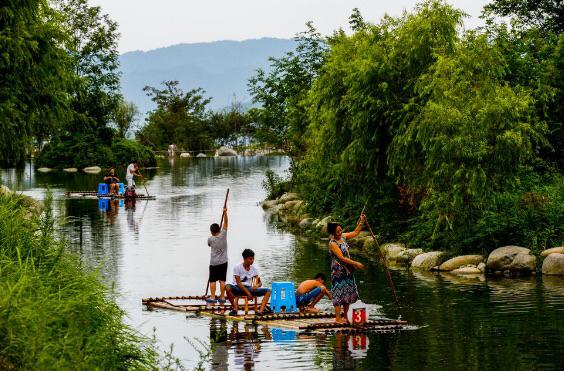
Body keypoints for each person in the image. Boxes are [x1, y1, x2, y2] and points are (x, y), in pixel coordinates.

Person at [327, 215, 366, 324]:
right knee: (338, 293)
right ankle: (338, 318)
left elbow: (355, 233)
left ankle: (346, 317)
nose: (340, 232)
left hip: (347, 270)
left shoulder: (343, 237)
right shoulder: (333, 243)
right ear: (333, 233)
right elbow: (341, 258)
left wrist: (361, 222)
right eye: (338, 231)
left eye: (341, 230)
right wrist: (356, 263)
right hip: (338, 270)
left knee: (347, 292)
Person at [226, 249, 272, 315]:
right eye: (250, 259)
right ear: (244, 259)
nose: (252, 261)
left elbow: (260, 283)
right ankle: (235, 309)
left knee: (268, 291)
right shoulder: (237, 267)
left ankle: (260, 311)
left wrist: (257, 285)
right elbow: (238, 283)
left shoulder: (254, 269)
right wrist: (248, 293)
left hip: (249, 289)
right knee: (227, 287)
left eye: (253, 259)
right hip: (238, 288)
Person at [206, 206, 229, 304]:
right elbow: (226, 223)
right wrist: (225, 212)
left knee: (212, 280)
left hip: (214, 263)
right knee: (222, 279)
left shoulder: (210, 239)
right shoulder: (223, 235)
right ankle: (222, 297)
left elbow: (209, 245)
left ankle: (212, 297)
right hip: (223, 262)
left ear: (211, 231)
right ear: (219, 230)